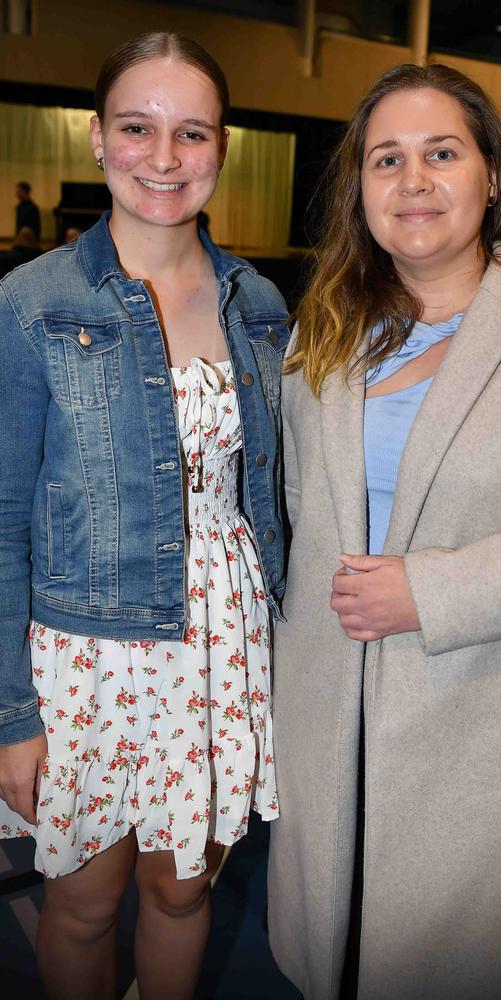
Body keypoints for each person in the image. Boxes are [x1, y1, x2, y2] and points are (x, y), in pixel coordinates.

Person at [267, 63, 501, 1000]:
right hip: (328, 737)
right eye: (385, 159)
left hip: (489, 742)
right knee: (338, 964)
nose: (414, 180)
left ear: (491, 177)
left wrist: (431, 590)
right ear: (358, 191)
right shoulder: (319, 333)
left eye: (442, 153)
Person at [0, 31, 288, 1000]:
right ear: (95, 137)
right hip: (87, 657)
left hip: (219, 645)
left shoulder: (261, 304)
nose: (163, 157)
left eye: (190, 132)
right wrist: (9, 713)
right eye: (137, 126)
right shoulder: (30, 302)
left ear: (219, 147)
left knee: (179, 894)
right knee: (84, 904)